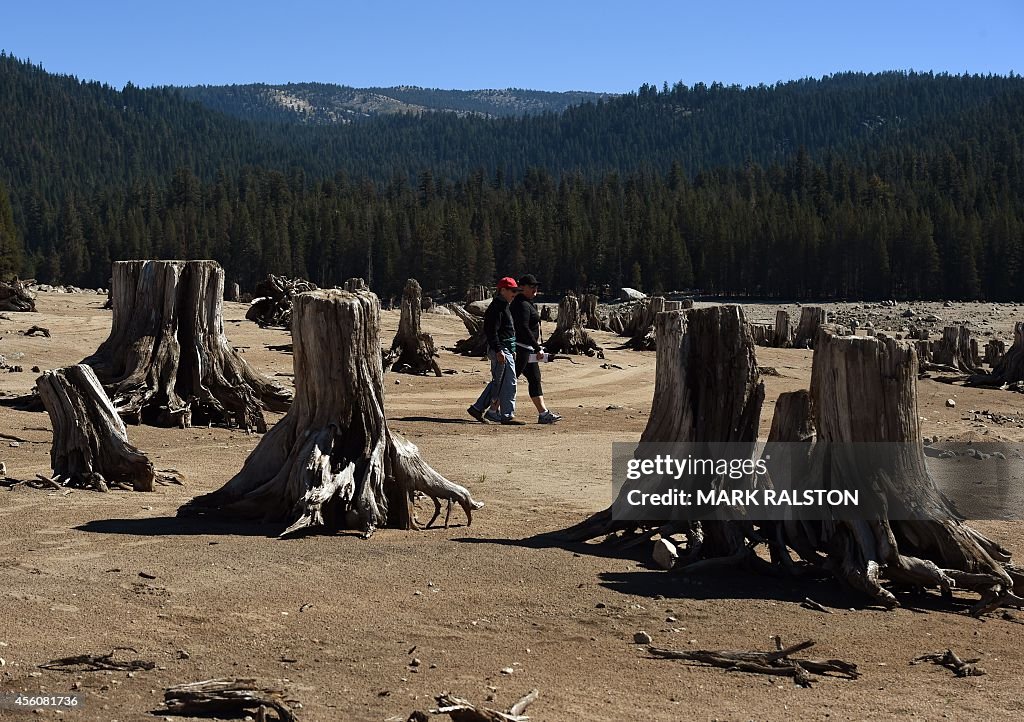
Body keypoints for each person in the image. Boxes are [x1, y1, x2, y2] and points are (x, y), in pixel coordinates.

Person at [467, 277, 525, 425]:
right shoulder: (497, 307)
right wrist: (499, 350)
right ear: (503, 290)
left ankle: (479, 408)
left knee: (500, 382)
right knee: (508, 382)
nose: (515, 293)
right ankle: (506, 415)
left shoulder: (503, 305)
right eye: (512, 291)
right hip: (501, 349)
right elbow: (491, 331)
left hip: (505, 349)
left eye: (516, 291)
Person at [510, 274, 562, 424]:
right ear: (522, 287)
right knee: (510, 380)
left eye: (536, 287)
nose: (535, 289)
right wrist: (537, 347)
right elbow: (523, 328)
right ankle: (492, 409)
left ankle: (543, 413)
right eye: (531, 286)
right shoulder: (521, 304)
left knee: (534, 379)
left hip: (527, 349)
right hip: (522, 350)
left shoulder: (527, 303)